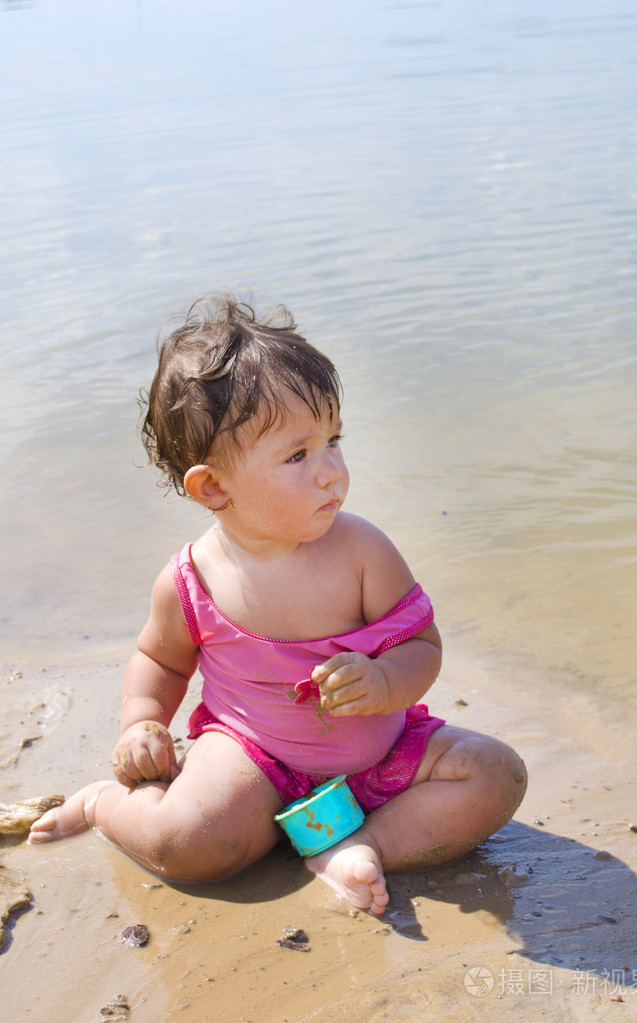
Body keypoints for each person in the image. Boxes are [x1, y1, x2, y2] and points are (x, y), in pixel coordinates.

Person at [29, 294, 527, 915]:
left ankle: (350, 845)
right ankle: (106, 803)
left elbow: (422, 647)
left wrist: (384, 680)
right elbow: (159, 661)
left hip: (382, 762)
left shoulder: (363, 550)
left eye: (333, 441)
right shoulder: (190, 581)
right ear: (214, 487)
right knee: (189, 846)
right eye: (298, 455)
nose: (331, 472)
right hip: (254, 765)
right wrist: (142, 724)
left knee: (495, 772)